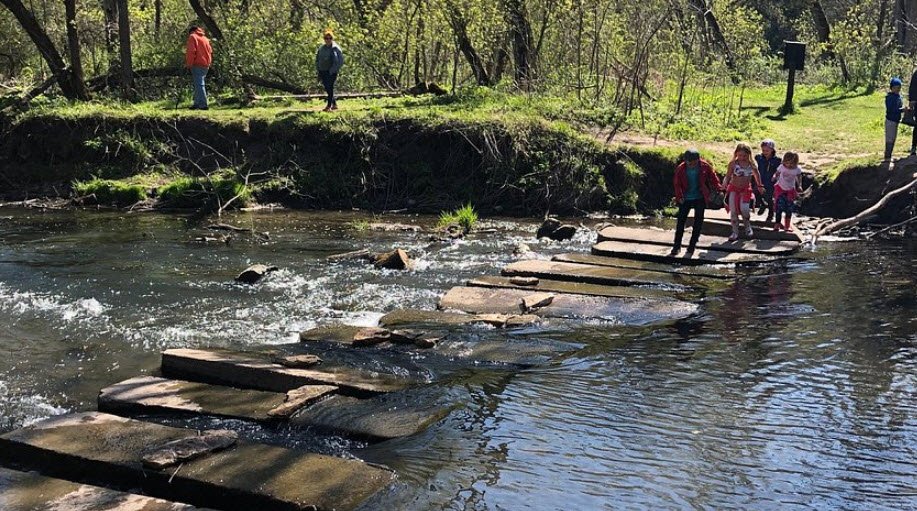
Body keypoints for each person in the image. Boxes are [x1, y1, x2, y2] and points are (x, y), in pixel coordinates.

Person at [669, 148, 722, 256]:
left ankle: (691, 246)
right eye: (689, 162)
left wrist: (719, 189)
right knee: (680, 222)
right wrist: (679, 196)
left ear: (698, 160)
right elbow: (677, 184)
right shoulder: (681, 169)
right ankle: (676, 246)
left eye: (694, 162)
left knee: (698, 222)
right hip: (686, 198)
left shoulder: (705, 166)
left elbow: (713, 177)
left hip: (700, 197)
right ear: (685, 161)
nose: (692, 164)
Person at [723, 143, 765, 241]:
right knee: (733, 211)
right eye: (740, 155)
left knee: (744, 209)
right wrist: (725, 183)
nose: (742, 157)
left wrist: (759, 186)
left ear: (749, 155)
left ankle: (747, 226)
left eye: (745, 156)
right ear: (736, 153)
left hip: (745, 189)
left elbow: (757, 175)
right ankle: (735, 231)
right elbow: (728, 175)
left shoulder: (751, 164)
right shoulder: (733, 163)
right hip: (734, 188)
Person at [772, 151, 803, 232]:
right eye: (787, 163)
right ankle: (777, 224)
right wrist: (774, 177)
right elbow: (777, 173)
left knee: (789, 209)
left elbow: (799, 177)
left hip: (790, 191)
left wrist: (799, 185)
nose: (789, 165)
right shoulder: (782, 167)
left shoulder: (797, 169)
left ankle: (787, 226)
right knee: (779, 208)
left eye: (792, 164)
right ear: (784, 161)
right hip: (780, 189)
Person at [315, 29, 344, 112]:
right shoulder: (321, 48)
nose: (328, 40)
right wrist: (318, 69)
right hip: (322, 71)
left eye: (329, 38)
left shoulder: (335, 48)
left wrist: (332, 71)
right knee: (327, 88)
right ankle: (334, 104)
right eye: (326, 38)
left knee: (330, 87)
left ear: (332, 38)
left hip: (331, 72)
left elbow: (339, 61)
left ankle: (329, 106)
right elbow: (317, 58)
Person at [185, 25, 212, 110]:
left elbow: (191, 51)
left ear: (191, 31)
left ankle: (203, 104)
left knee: (199, 84)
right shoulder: (205, 38)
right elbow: (210, 51)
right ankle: (196, 103)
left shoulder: (193, 37)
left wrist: (189, 63)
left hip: (197, 64)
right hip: (206, 64)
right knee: (198, 84)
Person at [754, 139, 781, 223]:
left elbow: (779, 171)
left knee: (769, 197)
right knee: (756, 192)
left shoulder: (777, 160)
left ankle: (770, 214)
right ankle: (762, 204)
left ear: (772, 150)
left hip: (771, 181)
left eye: (767, 150)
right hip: (760, 179)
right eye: (763, 150)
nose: (765, 152)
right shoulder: (759, 158)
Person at [885, 77, 904, 161]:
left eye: (899, 88)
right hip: (890, 121)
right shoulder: (890, 97)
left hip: (896, 120)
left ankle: (889, 155)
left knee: (893, 138)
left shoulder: (899, 97)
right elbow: (891, 109)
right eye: (896, 88)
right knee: (890, 138)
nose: (898, 90)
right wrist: (902, 110)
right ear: (892, 88)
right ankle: (887, 156)